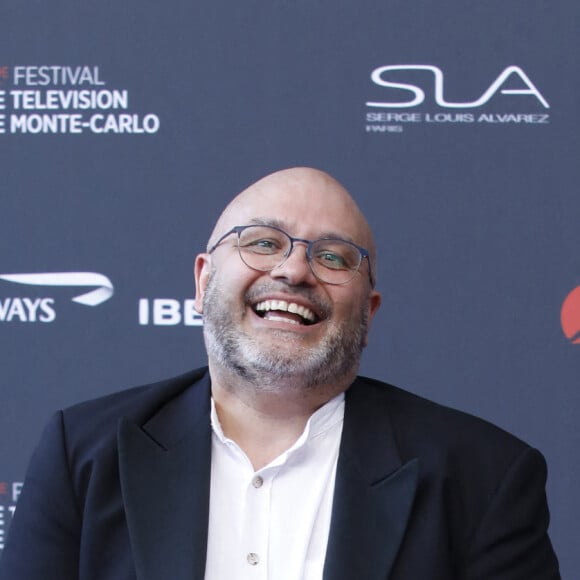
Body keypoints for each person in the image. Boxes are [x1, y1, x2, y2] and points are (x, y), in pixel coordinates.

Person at [0, 167, 560, 579]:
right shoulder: (84, 455)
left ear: (368, 312)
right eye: (263, 243)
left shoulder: (484, 476)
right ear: (201, 283)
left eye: (334, 257)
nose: (293, 269)